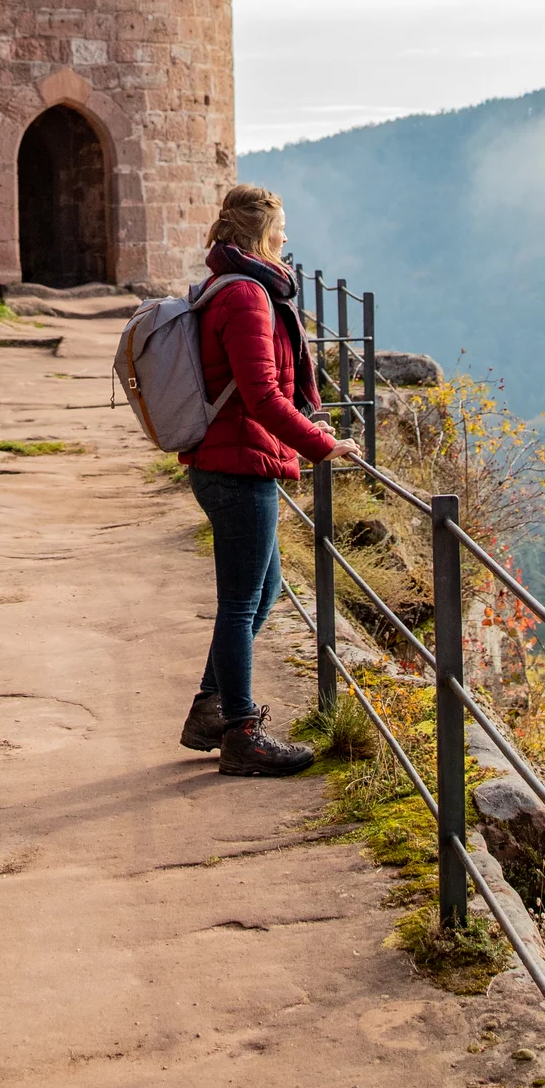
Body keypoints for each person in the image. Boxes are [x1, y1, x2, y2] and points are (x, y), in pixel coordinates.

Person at [178, 184, 365, 776]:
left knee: (264, 591)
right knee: (239, 603)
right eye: (281, 228)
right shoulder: (247, 298)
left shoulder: (232, 287)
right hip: (238, 465)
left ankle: (212, 707)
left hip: (235, 460)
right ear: (260, 233)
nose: (287, 238)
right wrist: (322, 446)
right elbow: (262, 395)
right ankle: (241, 733)